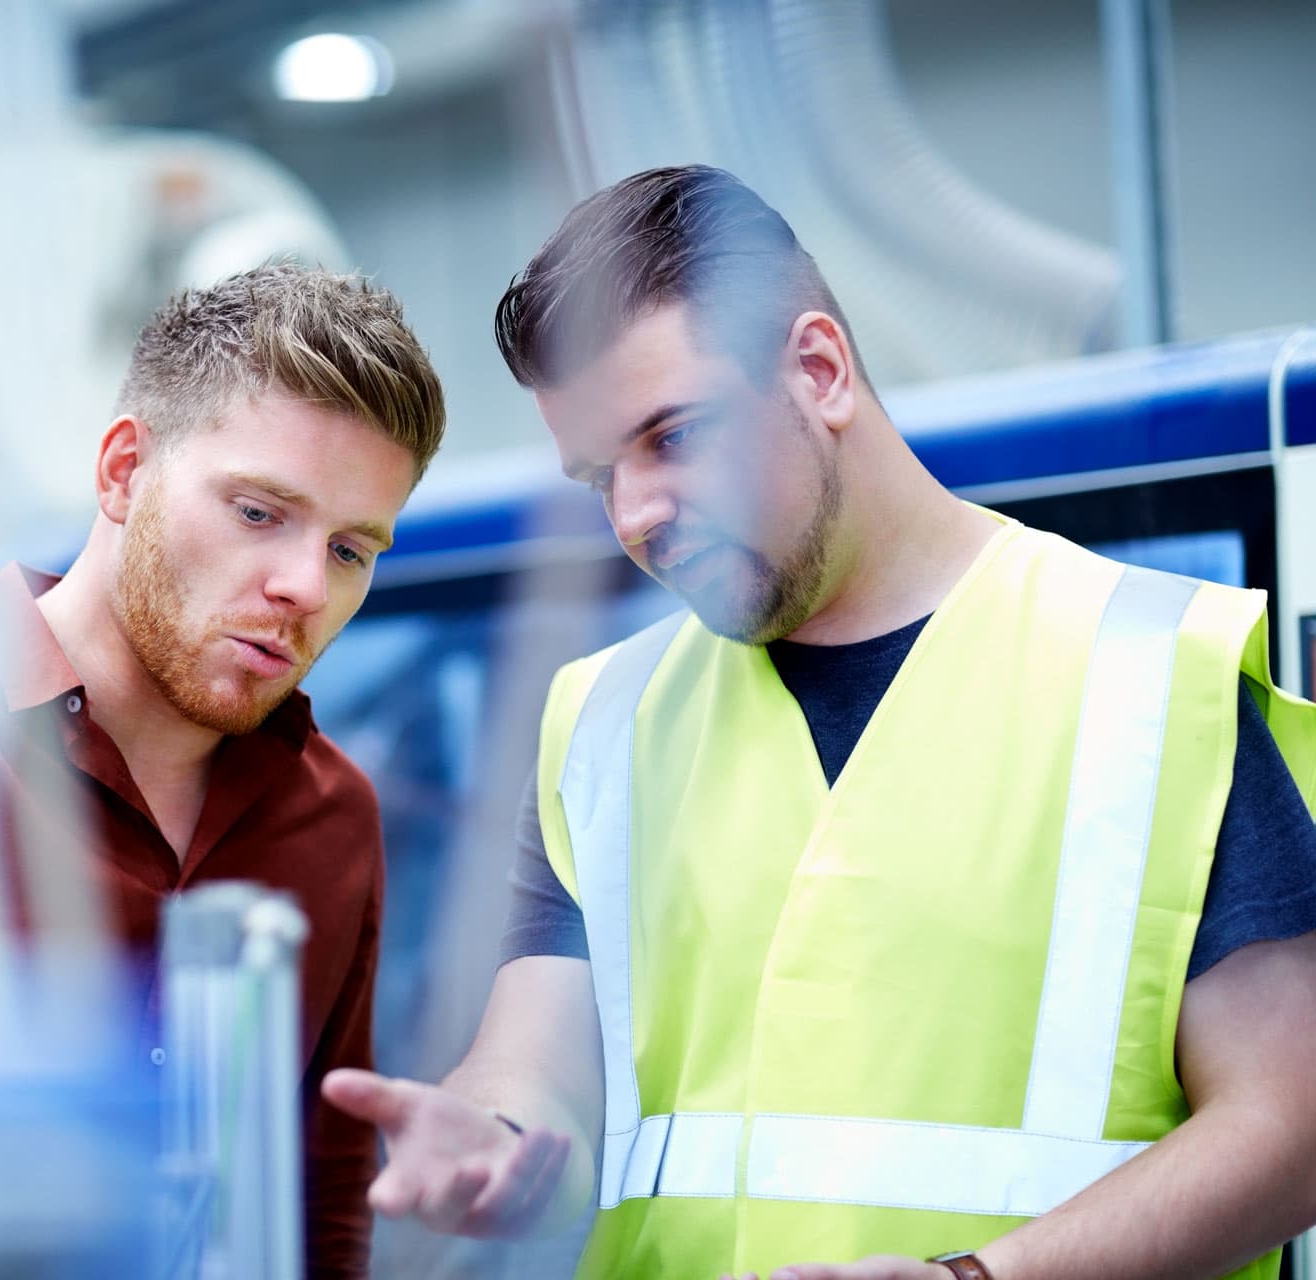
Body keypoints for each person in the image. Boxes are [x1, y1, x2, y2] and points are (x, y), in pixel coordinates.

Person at [322, 166, 1316, 1279]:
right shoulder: (604, 721)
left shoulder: (1148, 675)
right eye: (601, 473)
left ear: (818, 370)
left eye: (674, 435)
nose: (637, 513)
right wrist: (493, 1141)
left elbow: (1290, 1120)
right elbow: (537, 1068)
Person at [0, 263, 446, 1277]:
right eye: (257, 512)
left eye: (352, 550)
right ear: (121, 472)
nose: (302, 586)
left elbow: (319, 1212)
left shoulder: (333, 814)